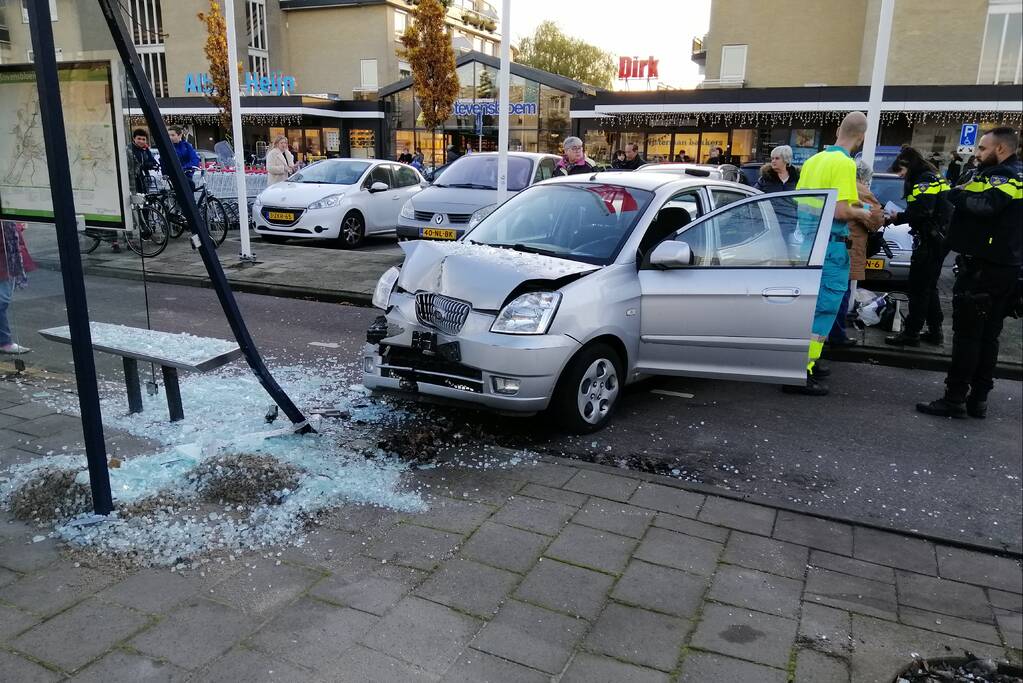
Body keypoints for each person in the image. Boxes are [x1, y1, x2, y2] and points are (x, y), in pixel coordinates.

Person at [917, 126, 1022, 419]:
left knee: (968, 337)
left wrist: (956, 194)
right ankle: (978, 400)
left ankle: (954, 399)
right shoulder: (1016, 175)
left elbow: (985, 206)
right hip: (1004, 268)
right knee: (989, 338)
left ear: (1001, 149)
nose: (976, 154)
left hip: (983, 269)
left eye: (982, 149)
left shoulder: (1003, 177)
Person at [784, 111, 882, 396]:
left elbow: (801, 203)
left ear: (839, 129)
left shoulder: (814, 160)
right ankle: (803, 371)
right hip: (831, 245)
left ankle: (802, 364)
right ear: (861, 137)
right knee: (824, 310)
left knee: (807, 309)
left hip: (809, 243)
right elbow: (839, 210)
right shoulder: (843, 163)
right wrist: (862, 212)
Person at [884, 146, 953, 347]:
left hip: (930, 241)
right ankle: (934, 331)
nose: (900, 176)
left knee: (918, 289)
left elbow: (922, 211)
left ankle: (911, 334)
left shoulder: (924, 180)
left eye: (900, 171)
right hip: (938, 240)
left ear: (907, 165)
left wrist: (897, 217)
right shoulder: (932, 176)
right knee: (929, 288)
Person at [829, 159, 885, 346]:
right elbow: (876, 219)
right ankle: (837, 336)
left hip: (834, 245)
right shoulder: (860, 189)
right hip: (849, 247)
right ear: (863, 176)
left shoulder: (837, 184)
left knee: (831, 292)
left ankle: (829, 333)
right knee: (841, 292)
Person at [0, 221, 34, 355]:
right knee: (2, 302)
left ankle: (4, 341)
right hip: (5, 263)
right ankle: (4, 342)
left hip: (8, 263)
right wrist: (18, 226)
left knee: (3, 302)